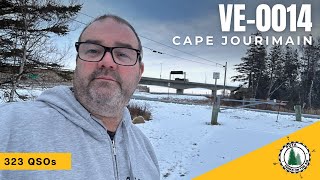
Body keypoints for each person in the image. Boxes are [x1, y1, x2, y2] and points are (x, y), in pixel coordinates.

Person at [0, 14, 160, 180]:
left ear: (139, 72)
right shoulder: (11, 126)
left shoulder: (145, 151)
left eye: (123, 54)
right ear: (77, 62)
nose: (107, 61)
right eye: (93, 50)